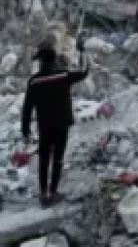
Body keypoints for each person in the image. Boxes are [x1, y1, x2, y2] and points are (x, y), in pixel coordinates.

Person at [22, 35, 89, 207]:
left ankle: (44, 194)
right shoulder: (63, 76)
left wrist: (25, 130)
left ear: (41, 62)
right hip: (62, 125)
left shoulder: (34, 82)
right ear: (54, 61)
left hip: (45, 127)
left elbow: (27, 108)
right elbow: (84, 71)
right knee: (58, 159)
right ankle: (53, 192)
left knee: (44, 160)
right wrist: (82, 51)